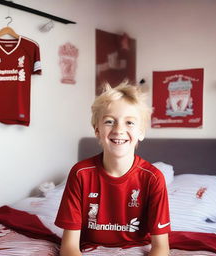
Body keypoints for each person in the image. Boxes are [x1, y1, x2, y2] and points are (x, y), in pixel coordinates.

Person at [55, 81, 170, 256]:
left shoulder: (153, 178)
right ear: (97, 130)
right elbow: (69, 246)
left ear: (141, 132)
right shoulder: (80, 174)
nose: (119, 129)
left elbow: (161, 247)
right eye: (109, 121)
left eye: (129, 122)